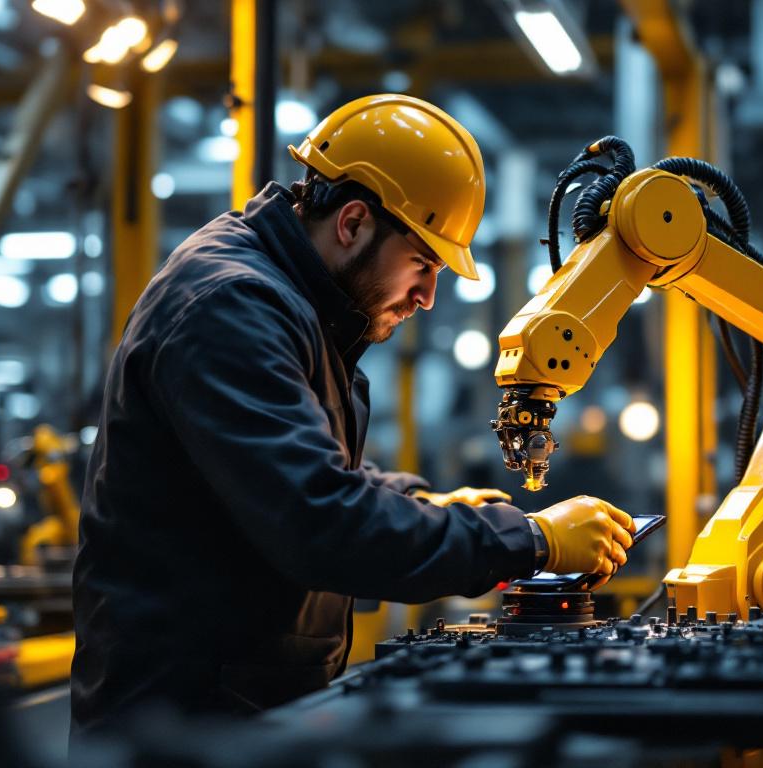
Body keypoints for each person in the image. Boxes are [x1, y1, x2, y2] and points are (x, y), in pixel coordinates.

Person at [71, 94, 635, 734]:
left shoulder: (293, 307)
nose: (426, 296)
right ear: (353, 223)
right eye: (423, 263)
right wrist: (532, 541)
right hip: (178, 731)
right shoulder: (230, 308)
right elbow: (318, 519)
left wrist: (433, 504)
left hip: (235, 714)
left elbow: (310, 476)